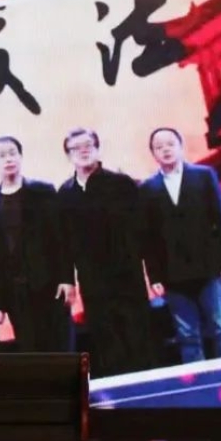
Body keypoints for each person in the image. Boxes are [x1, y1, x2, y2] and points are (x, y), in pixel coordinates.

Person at [56, 128, 154, 377]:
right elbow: (63, 242)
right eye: (76, 148)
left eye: (88, 145)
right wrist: (68, 279)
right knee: (106, 339)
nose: (83, 151)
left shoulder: (121, 184)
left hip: (127, 275)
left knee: (137, 336)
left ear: (97, 149)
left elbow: (142, 229)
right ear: (68, 155)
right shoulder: (65, 193)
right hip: (92, 280)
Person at [139, 127, 221, 364]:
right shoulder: (148, 188)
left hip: (210, 267)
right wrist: (154, 277)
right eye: (159, 147)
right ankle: (199, 382)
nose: (165, 150)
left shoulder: (203, 176)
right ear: (153, 153)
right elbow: (148, 238)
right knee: (187, 336)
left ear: (180, 146)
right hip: (172, 275)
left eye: (170, 144)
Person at [0, 135, 74, 353]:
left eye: (13, 153)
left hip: (49, 284)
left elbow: (60, 237)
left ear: (20, 156)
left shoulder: (43, 190)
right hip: (14, 290)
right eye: (2, 155)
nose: (8, 159)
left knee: (59, 344)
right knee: (29, 346)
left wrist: (66, 279)